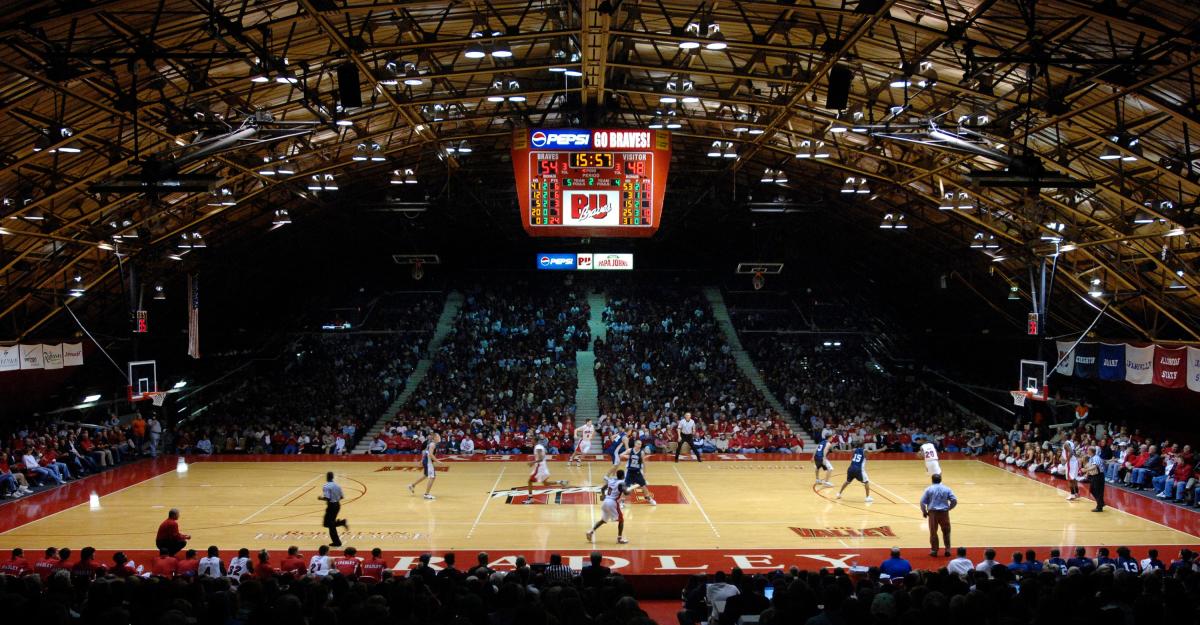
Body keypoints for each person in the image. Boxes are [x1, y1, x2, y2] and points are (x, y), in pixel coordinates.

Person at [586, 464, 628, 544]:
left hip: (605, 502)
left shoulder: (611, 480)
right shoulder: (622, 483)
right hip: (612, 503)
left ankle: (590, 531)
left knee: (603, 520)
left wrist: (603, 495)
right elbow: (626, 493)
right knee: (621, 520)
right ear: (623, 476)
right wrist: (628, 491)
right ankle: (619, 539)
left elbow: (602, 488)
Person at [919, 473, 957, 556]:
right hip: (944, 513)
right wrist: (949, 508)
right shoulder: (947, 489)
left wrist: (924, 511)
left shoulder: (929, 489)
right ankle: (947, 550)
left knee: (933, 532)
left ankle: (934, 551)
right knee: (946, 531)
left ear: (932, 480)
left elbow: (922, 502)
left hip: (933, 513)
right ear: (941, 480)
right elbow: (954, 500)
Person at [524, 438, 568, 504]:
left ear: (535, 440)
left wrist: (533, 462)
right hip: (543, 466)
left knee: (529, 481)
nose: (531, 440)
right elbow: (544, 454)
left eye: (532, 440)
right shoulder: (540, 446)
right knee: (545, 483)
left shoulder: (538, 448)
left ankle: (530, 498)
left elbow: (541, 458)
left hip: (540, 467)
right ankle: (560, 482)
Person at [621, 438, 657, 506]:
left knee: (643, 486)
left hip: (637, 472)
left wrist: (644, 473)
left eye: (640, 444)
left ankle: (649, 499)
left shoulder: (642, 452)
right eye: (638, 444)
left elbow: (643, 463)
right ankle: (622, 501)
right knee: (626, 486)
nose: (639, 445)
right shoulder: (630, 450)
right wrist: (628, 456)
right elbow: (621, 455)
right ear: (635, 444)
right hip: (630, 471)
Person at [319, 471, 350, 546]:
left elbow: (327, 498)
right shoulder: (337, 486)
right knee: (329, 524)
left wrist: (321, 498)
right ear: (333, 477)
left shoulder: (326, 486)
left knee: (328, 524)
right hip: (337, 506)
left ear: (327, 477)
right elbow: (342, 497)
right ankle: (341, 523)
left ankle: (337, 541)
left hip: (331, 506)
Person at [408, 433, 441, 500]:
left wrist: (422, 460)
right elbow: (431, 455)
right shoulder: (433, 444)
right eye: (438, 436)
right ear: (435, 438)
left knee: (426, 475)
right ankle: (426, 494)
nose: (439, 438)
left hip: (426, 461)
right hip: (428, 462)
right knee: (432, 477)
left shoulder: (431, 444)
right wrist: (437, 461)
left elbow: (426, 452)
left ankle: (412, 485)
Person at [1086, 445, 1106, 511]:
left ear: (1091, 451)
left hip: (1099, 476)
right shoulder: (1091, 458)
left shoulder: (1096, 458)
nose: (1087, 451)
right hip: (1094, 476)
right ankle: (1101, 503)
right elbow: (1090, 466)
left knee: (1098, 491)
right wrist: (1087, 473)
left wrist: (1086, 470)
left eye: (1088, 450)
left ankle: (1099, 507)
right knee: (1092, 489)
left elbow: (1094, 466)